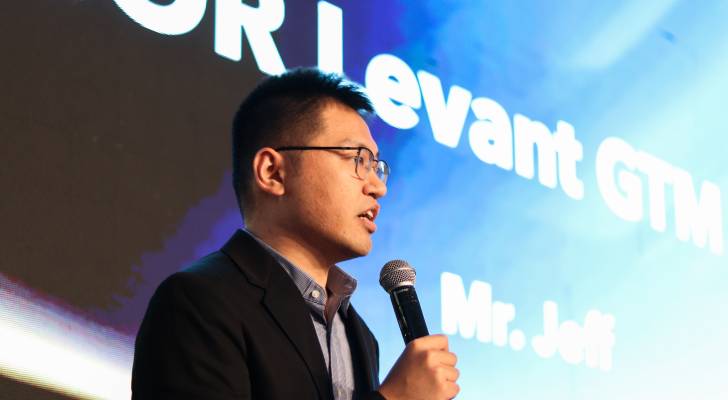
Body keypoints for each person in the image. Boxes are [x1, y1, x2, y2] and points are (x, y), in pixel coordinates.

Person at [131, 68, 460, 400]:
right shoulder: (198, 301)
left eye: (377, 167)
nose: (378, 187)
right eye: (357, 159)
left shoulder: (360, 336)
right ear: (272, 172)